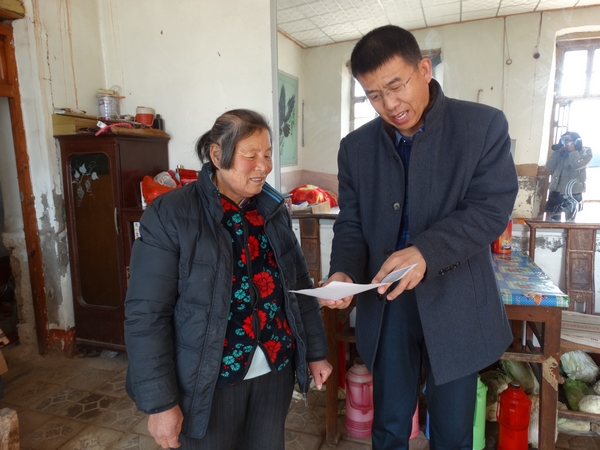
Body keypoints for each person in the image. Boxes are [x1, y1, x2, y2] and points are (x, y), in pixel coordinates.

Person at [319, 26, 519, 449]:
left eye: (396, 86)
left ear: (424, 70)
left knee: (452, 431)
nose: (390, 104)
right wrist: (344, 271)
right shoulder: (356, 147)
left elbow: (490, 210)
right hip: (387, 301)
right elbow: (351, 222)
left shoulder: (481, 126)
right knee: (389, 426)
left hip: (456, 300)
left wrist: (425, 251)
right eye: (374, 95)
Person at [124, 109, 332, 450]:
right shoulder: (172, 214)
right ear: (217, 154)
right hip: (207, 380)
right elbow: (146, 314)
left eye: (267, 155)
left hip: (274, 369)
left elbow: (298, 286)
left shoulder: (272, 209)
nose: (263, 166)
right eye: (251, 155)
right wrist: (160, 403)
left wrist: (316, 353)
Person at [545, 131, 592, 221]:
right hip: (557, 190)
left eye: (569, 141)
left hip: (573, 191)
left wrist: (573, 151)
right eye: (564, 141)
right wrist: (557, 152)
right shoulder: (561, 152)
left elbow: (577, 165)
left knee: (570, 220)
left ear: (576, 141)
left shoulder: (585, 151)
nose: (566, 143)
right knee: (553, 220)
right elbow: (549, 166)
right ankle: (554, 231)